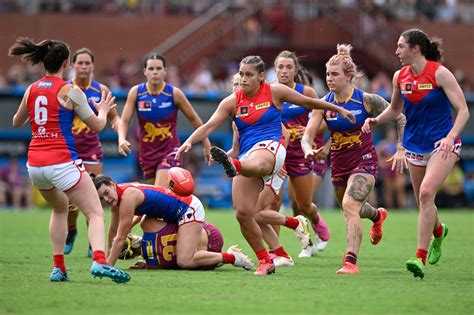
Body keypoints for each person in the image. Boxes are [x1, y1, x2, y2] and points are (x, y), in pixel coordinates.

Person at [176, 55, 355, 275]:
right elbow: (210, 125)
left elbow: (309, 103)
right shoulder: (231, 101)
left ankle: (234, 165)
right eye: (241, 74)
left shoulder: (275, 91)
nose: (243, 78)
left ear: (261, 76)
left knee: (265, 169)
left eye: (248, 74)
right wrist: (189, 141)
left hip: (273, 149)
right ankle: (265, 260)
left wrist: (338, 109)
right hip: (246, 158)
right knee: (243, 213)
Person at [8, 37, 130, 283]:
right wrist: (104, 110)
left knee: (60, 208)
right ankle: (98, 260)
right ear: (67, 64)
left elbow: (16, 122)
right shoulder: (70, 91)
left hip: (35, 165)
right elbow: (97, 125)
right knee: (96, 212)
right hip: (61, 160)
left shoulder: (32, 89)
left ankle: (58, 268)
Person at [362, 29, 470, 279]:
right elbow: (394, 109)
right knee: (426, 201)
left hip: (443, 144)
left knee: (424, 193)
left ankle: (418, 257)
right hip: (414, 145)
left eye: (401, 46)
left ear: (416, 49)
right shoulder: (400, 76)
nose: (397, 51)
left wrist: (450, 137)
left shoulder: (440, 73)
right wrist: (375, 120)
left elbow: (463, 111)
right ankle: (439, 231)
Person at [302, 44, 407, 274]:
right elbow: (308, 134)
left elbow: (400, 118)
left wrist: (400, 147)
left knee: (350, 205)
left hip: (364, 160)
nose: (329, 78)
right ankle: (377, 216)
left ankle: (350, 262)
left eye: (334, 74)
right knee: (352, 208)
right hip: (339, 163)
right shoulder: (324, 104)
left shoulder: (366, 100)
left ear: (349, 76)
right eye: (328, 74)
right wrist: (307, 147)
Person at [91, 173, 254, 271]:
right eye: (101, 198)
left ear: (113, 184)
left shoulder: (127, 197)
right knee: (146, 224)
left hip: (188, 209)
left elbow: (120, 237)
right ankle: (208, 258)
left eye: (106, 193)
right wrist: (106, 258)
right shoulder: (118, 197)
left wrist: (108, 267)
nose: (106, 199)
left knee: (184, 261)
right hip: (176, 213)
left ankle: (231, 257)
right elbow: (114, 231)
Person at [228, 73, 306, 268]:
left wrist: (280, 163)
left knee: (255, 212)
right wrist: (224, 155)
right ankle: (280, 253)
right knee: (253, 213)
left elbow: (285, 135)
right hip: (252, 163)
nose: (240, 86)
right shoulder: (236, 115)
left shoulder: (260, 110)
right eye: (236, 84)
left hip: (271, 164)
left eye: (242, 82)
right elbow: (236, 150)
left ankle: (295, 224)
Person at [117, 53, 211, 186]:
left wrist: (207, 145)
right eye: (151, 69)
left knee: (160, 192)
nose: (155, 72)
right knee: (154, 200)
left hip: (170, 150)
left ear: (164, 71)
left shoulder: (174, 93)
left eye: (158, 68)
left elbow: (195, 120)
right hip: (147, 154)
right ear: (145, 71)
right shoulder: (136, 92)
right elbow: (124, 121)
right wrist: (121, 139)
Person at [64, 47, 122, 256]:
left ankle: (92, 242)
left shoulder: (101, 90)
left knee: (94, 195)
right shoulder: (65, 89)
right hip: (68, 150)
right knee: (70, 200)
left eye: (88, 63)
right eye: (80, 63)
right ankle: (71, 230)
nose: (84, 66)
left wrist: (117, 124)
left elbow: (115, 116)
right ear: (72, 65)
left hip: (91, 150)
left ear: (93, 66)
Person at [273, 51, 330, 258]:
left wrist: (308, 133)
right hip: (277, 155)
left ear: (295, 70)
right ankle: (281, 250)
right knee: (273, 204)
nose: (284, 71)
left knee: (302, 204)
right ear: (275, 69)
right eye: (280, 67)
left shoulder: (306, 92)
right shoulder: (268, 91)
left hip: (301, 154)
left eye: (289, 67)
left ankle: (316, 221)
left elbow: (320, 115)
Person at [117, 219, 228, 270]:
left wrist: (144, 265)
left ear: (130, 257)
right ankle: (227, 257)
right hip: (210, 232)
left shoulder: (152, 265)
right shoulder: (147, 224)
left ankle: (218, 259)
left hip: (207, 264)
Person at [376, 128, 407, 209]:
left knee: (400, 189)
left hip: (397, 169)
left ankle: (402, 208)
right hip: (387, 170)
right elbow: (376, 155)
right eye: (390, 134)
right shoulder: (383, 144)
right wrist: (382, 164)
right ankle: (390, 208)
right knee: (388, 190)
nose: (392, 135)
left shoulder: (399, 145)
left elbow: (404, 157)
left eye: (393, 134)